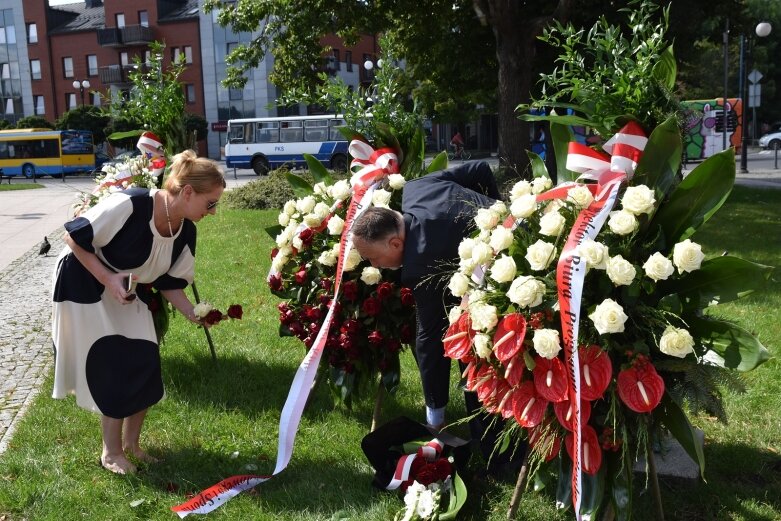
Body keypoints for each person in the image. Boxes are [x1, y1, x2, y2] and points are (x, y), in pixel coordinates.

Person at [51, 150, 226, 475]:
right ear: (188, 192)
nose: (213, 212)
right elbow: (73, 236)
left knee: (145, 357)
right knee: (112, 362)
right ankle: (111, 452)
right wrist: (108, 279)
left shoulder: (186, 230)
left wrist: (192, 312)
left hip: (124, 288)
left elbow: (168, 282)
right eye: (211, 203)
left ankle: (132, 445)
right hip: (83, 282)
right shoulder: (129, 204)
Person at [351, 161, 499, 434]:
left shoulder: (420, 267)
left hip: (511, 277)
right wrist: (498, 214)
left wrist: (435, 417)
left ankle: (498, 458)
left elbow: (431, 341)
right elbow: (479, 169)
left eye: (373, 258)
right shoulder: (417, 189)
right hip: (527, 233)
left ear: (395, 243)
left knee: (469, 348)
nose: (376, 266)